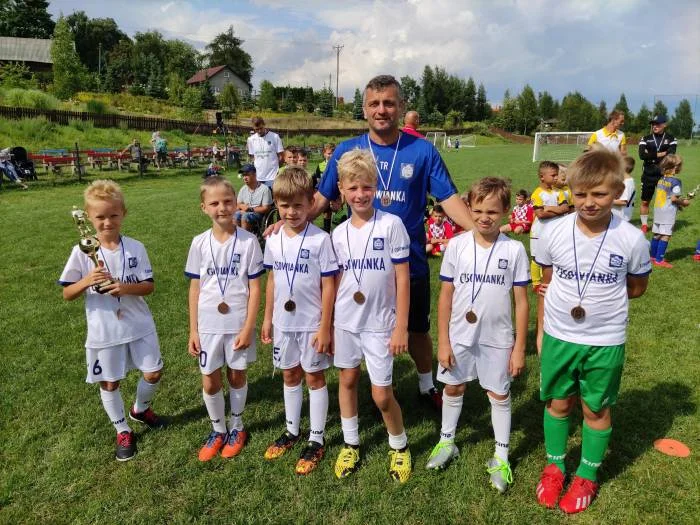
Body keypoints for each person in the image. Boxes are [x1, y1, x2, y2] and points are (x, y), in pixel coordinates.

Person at [314, 74, 474, 410]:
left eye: (388, 103)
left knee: (416, 329)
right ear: (364, 109)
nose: (381, 110)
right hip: (361, 269)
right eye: (374, 103)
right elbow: (322, 198)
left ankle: (426, 385)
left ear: (401, 107)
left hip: (409, 264)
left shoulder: (423, 150)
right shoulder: (347, 151)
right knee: (356, 328)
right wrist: (291, 221)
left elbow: (448, 198)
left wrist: (479, 229)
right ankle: (374, 386)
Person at [534, 146, 650, 514]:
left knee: (595, 408)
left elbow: (637, 287)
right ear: (570, 191)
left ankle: (586, 474)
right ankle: (555, 466)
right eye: (580, 193)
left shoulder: (631, 238)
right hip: (559, 334)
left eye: (599, 194)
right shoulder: (553, 231)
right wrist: (541, 330)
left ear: (617, 192)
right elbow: (548, 283)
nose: (588, 202)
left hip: (604, 339)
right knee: (558, 403)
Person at [426, 177, 529, 494]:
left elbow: (522, 302)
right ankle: (447, 442)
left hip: (498, 338)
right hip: (459, 334)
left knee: (497, 394)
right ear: (468, 208)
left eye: (493, 212)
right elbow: (445, 296)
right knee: (453, 386)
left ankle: (501, 455)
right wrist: (443, 341)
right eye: (479, 210)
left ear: (506, 211)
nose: (485, 218)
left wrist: (519, 348)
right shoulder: (457, 245)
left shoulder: (514, 250)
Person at [59, 180, 165, 462]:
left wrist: (124, 288)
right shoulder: (81, 251)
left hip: (139, 323)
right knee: (109, 382)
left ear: (123, 213)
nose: (107, 222)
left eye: (113, 215)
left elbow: (149, 286)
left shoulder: (136, 247)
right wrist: (87, 280)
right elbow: (67, 293)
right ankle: (122, 430)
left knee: (154, 373)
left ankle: (140, 409)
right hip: (104, 329)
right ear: (88, 218)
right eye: (100, 217)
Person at [331, 149, 412, 482]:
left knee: (381, 394)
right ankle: (350, 443)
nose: (360, 194)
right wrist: (329, 325)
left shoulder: (391, 225)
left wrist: (401, 327)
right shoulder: (338, 234)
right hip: (345, 322)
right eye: (353, 188)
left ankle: (399, 445)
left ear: (376, 187)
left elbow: (403, 278)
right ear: (341, 189)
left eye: (366, 187)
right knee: (347, 380)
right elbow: (335, 281)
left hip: (380, 324)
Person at [260, 167, 338, 475]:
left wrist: (325, 326)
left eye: (298, 205)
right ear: (276, 205)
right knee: (290, 375)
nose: (291, 212)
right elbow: (272, 280)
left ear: (310, 204)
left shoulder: (321, 240)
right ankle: (292, 430)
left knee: (314, 377)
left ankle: (316, 438)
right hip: (283, 323)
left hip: (311, 324)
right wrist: (268, 318)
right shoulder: (273, 238)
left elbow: (329, 285)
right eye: (285, 206)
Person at [185, 176, 264, 462]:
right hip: (208, 323)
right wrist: (193, 330)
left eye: (228, 201)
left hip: (238, 322)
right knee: (210, 380)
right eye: (215, 203)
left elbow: (255, 288)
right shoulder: (199, 243)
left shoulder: (249, 241)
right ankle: (218, 429)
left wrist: (249, 327)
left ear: (236, 203)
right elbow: (195, 288)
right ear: (204, 207)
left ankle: (237, 426)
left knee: (236, 374)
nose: (222, 208)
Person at [529, 161, 569, 293]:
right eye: (553, 175)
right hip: (539, 232)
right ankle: (536, 283)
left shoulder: (559, 192)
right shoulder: (537, 194)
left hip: (556, 231)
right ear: (542, 177)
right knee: (536, 258)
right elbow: (540, 214)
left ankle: (552, 281)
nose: (556, 178)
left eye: (557, 175)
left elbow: (566, 208)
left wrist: (549, 208)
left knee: (554, 256)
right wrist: (558, 210)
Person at [649, 155, 690, 268]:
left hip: (658, 210)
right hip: (667, 213)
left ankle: (652, 257)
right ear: (675, 167)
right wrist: (684, 203)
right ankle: (659, 260)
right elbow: (673, 199)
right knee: (665, 235)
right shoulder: (676, 181)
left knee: (657, 234)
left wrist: (678, 206)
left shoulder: (661, 179)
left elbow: (667, 197)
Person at [639, 115, 677, 233]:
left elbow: (671, 154)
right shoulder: (645, 138)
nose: (654, 126)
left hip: (664, 174)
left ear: (664, 125)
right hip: (648, 174)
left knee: (665, 202)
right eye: (653, 124)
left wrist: (650, 154)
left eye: (657, 124)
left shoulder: (671, 138)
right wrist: (660, 154)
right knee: (645, 201)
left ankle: (663, 224)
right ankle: (644, 225)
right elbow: (642, 155)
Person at [247, 116, 284, 188]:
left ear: (264, 125)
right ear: (253, 128)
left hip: (273, 177)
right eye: (257, 129)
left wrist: (277, 170)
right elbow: (252, 157)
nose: (259, 131)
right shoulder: (251, 139)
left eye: (261, 128)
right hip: (258, 177)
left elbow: (281, 156)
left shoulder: (275, 137)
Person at [235, 164, 272, 232]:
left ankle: (245, 237)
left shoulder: (264, 189)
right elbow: (239, 203)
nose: (244, 178)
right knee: (235, 215)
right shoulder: (243, 189)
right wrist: (243, 207)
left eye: (247, 175)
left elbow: (266, 208)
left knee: (245, 216)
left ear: (254, 175)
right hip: (245, 212)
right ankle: (236, 236)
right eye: (243, 175)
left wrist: (250, 209)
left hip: (259, 214)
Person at [612, 157, 636, 222]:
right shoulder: (625, 181)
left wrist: (608, 201)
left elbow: (623, 202)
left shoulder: (627, 183)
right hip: (617, 217)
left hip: (621, 217)